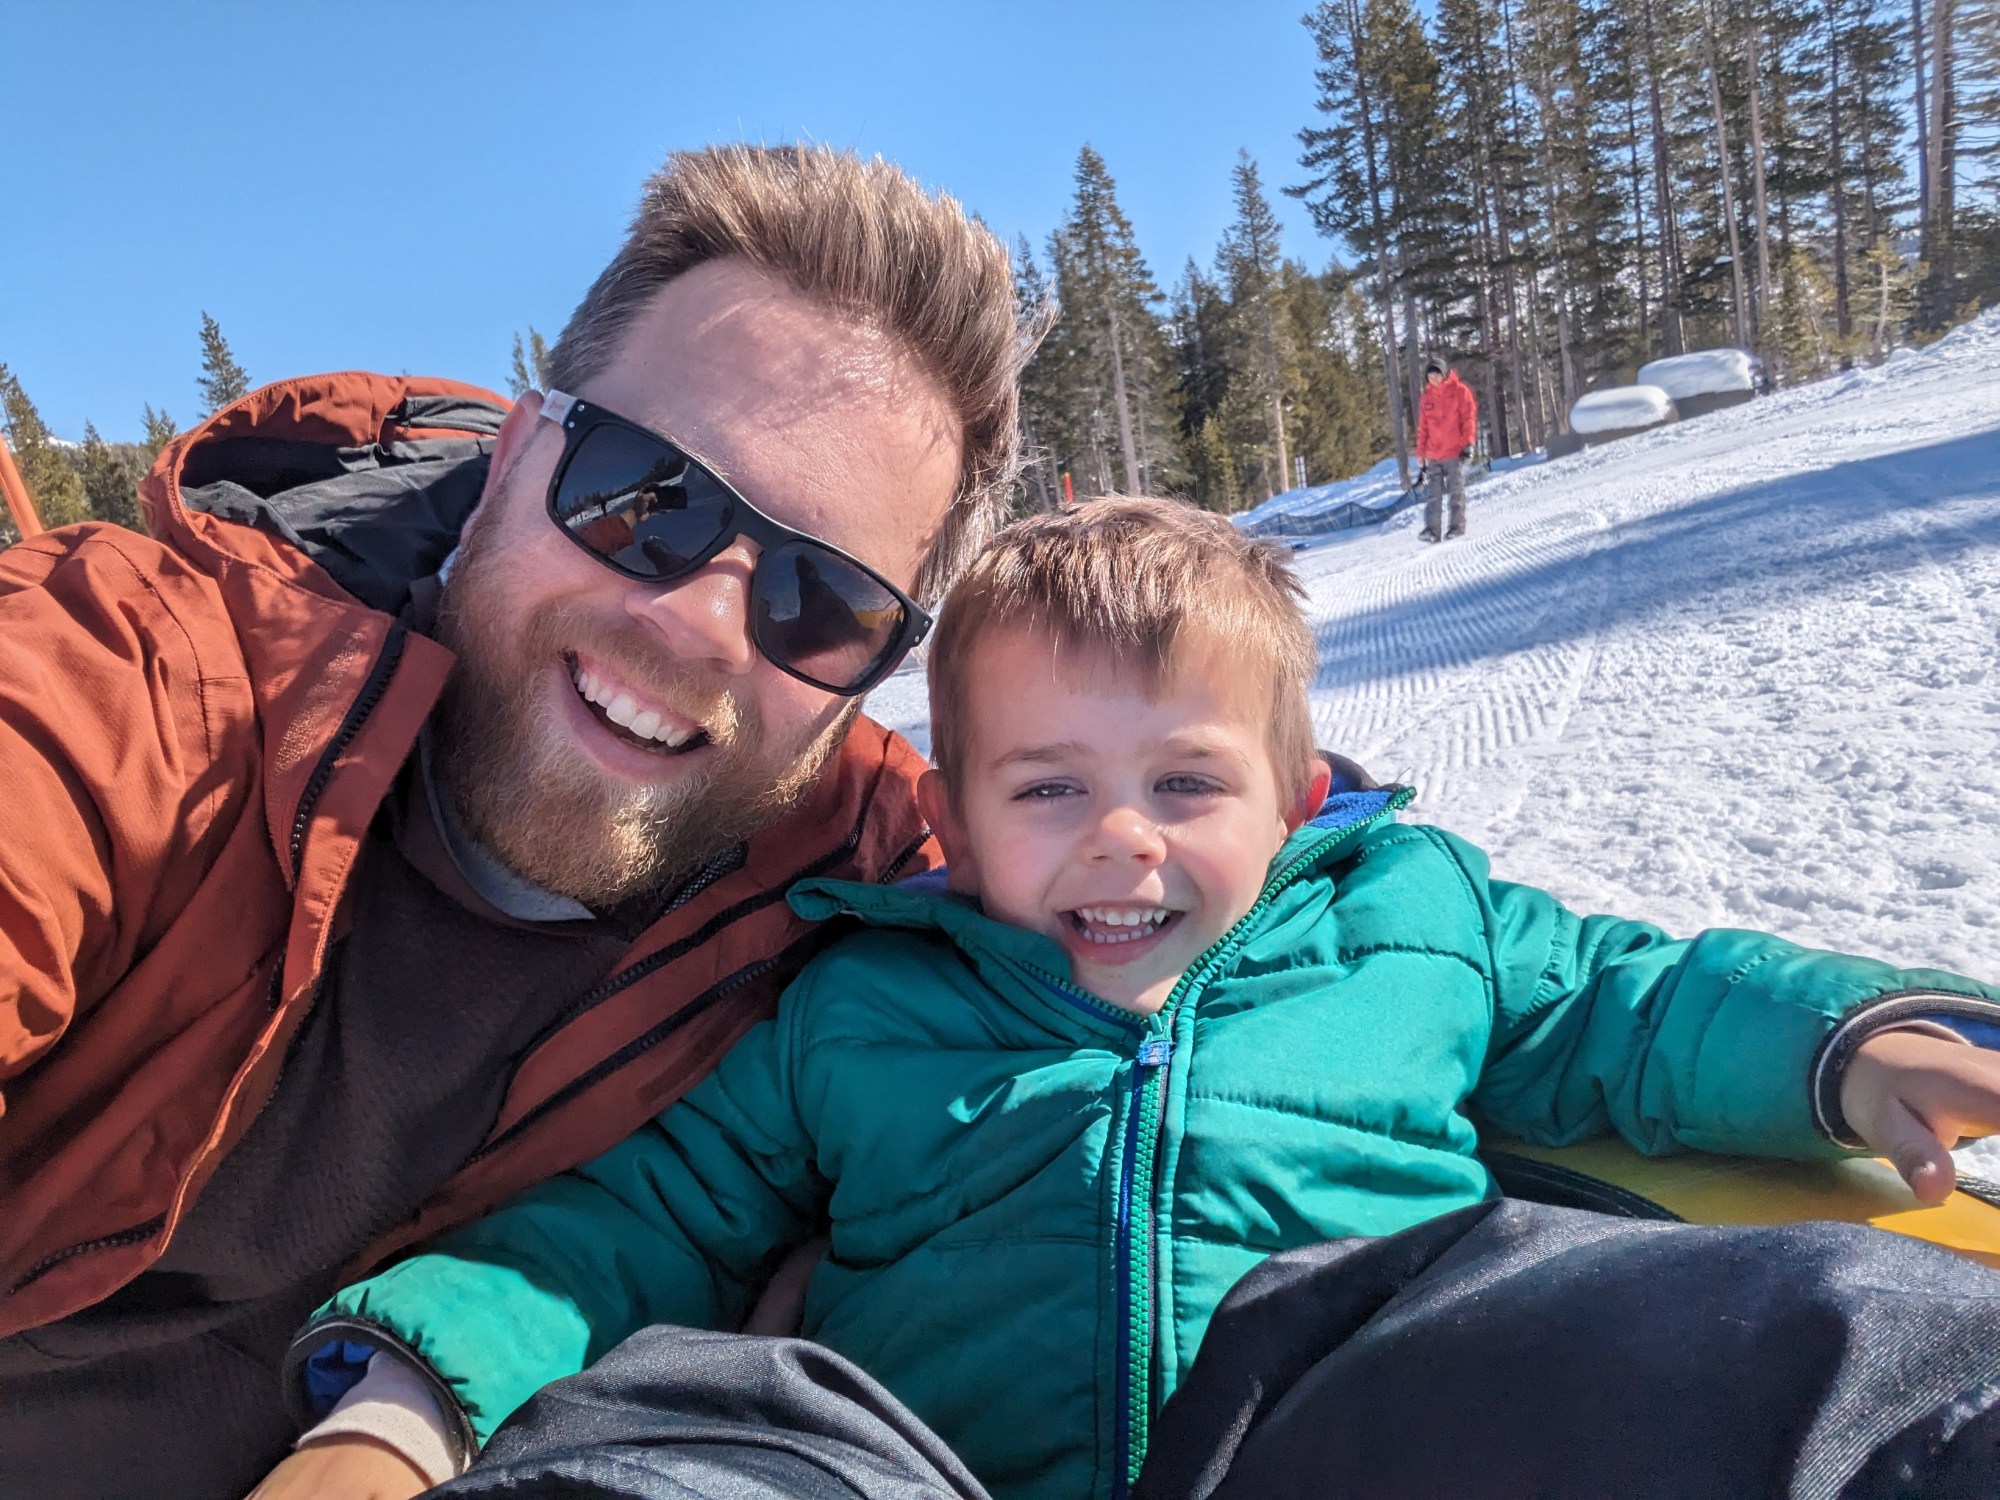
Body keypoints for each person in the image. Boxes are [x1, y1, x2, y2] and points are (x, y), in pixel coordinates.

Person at [272, 498, 2000, 1499]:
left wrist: (1848, 1046)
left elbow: (1624, 1004)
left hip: (1361, 1425)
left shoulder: (1406, 919)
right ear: (951, 819)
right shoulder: (860, 1004)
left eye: (1185, 784)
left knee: (1775, 1322)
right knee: (715, 1426)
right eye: (1047, 790)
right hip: (936, 1468)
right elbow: (646, 1216)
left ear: (1293, 796)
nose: (1122, 840)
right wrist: (412, 1396)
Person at [0, 143, 1029, 1500]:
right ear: (516, 455)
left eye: (820, 602)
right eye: (642, 495)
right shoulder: (145, 683)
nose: (700, 627)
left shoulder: (853, 861)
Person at [1415, 353, 1478, 541]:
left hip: (1455, 451)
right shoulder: (1426, 397)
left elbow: (1468, 418)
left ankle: (1456, 528)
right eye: (1430, 376)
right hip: (1433, 454)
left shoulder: (1460, 391)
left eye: (1437, 375)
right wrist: (1421, 452)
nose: (1433, 379)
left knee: (1455, 492)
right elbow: (1423, 427)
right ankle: (1432, 531)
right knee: (1433, 495)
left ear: (1444, 374)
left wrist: (1468, 443)